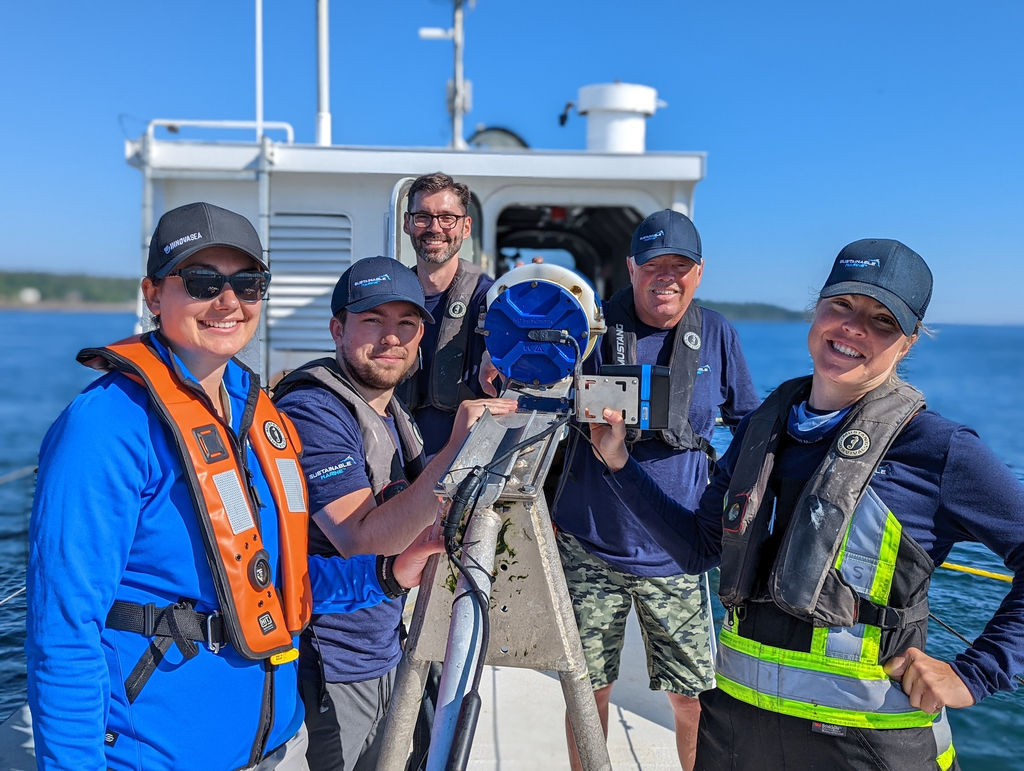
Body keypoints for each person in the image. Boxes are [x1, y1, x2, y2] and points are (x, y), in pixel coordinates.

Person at [25, 202, 441, 771]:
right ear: (153, 295)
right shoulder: (104, 428)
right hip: (158, 754)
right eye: (201, 281)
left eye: (248, 283)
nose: (228, 302)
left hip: (268, 746)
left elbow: (271, 578)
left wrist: (386, 576)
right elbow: (64, 631)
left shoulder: (256, 416)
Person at [588, 239, 1024, 770]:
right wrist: (619, 465)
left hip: (866, 746)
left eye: (882, 321)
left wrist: (975, 673)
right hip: (736, 733)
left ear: (907, 344)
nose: (853, 327)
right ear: (817, 309)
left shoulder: (938, 449)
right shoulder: (759, 430)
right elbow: (698, 548)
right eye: (842, 304)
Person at [272, 256, 517, 771]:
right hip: (332, 659)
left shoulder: (387, 408)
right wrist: (456, 450)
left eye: (406, 324)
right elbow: (362, 540)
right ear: (337, 329)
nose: (391, 338)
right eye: (373, 321)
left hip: (383, 645)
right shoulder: (314, 411)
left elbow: (417, 509)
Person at [550, 209, 760, 770]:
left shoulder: (716, 333)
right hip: (588, 547)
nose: (666, 277)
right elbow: (537, 404)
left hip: (678, 553)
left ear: (699, 272)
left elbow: (750, 426)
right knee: (587, 694)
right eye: (653, 265)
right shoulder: (589, 329)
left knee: (693, 700)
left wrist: (742, 509)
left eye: (680, 266)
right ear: (631, 267)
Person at [395, 172, 496, 459]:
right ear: (407, 223)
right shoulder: (388, 302)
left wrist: (500, 353)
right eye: (423, 217)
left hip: (468, 469)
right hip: (399, 470)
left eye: (447, 218)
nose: (435, 228)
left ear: (465, 227)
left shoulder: (491, 301)